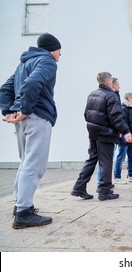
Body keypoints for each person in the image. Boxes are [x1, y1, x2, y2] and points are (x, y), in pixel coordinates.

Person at [0, 33, 61, 229]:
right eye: (60, 50)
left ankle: (20, 206)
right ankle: (24, 213)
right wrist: (24, 110)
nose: (61, 54)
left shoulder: (23, 64)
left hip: (24, 119)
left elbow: (5, 89)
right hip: (36, 118)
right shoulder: (48, 61)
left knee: (26, 162)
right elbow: (33, 83)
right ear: (53, 49)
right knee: (34, 165)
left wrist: (11, 111)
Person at [71, 72, 132, 201]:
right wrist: (126, 131)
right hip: (106, 133)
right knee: (106, 161)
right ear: (108, 82)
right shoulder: (111, 95)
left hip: (93, 132)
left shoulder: (92, 94)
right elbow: (115, 116)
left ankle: (79, 187)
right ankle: (105, 190)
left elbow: (86, 114)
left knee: (92, 159)